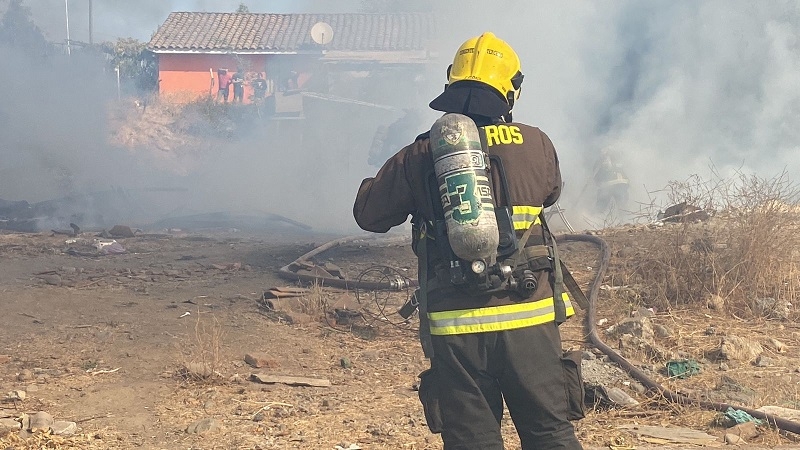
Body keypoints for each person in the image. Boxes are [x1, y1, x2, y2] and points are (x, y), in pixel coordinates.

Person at [353, 32, 584, 450]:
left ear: (451, 84)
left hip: (456, 328)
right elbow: (551, 192)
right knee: (550, 434)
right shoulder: (537, 144)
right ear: (509, 91)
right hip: (529, 319)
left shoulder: (422, 154)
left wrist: (402, 174)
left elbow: (368, 215)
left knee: (473, 443)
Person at [592, 147, 629, 213]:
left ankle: (596, 219)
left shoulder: (612, 158)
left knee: (600, 208)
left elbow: (595, 175)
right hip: (613, 186)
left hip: (615, 186)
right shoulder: (601, 161)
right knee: (622, 209)